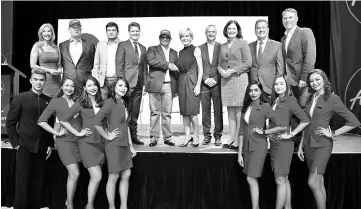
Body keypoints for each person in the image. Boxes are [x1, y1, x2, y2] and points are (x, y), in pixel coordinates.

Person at [297, 69, 360, 209]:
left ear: (324, 80)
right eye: (311, 81)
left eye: (317, 79)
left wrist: (333, 133)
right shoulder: (310, 98)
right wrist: (301, 143)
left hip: (322, 146)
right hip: (308, 145)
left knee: (312, 182)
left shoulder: (332, 98)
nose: (314, 83)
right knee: (319, 182)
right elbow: (306, 122)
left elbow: (354, 122)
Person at [6, 69, 54, 209]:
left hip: (41, 148)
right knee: (22, 183)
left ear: (45, 81)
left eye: (41, 80)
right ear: (31, 80)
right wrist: (16, 144)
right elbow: (10, 123)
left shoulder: (48, 100)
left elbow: (49, 125)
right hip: (24, 147)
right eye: (36, 79)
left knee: (37, 183)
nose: (38, 82)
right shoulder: (21, 98)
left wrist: (49, 144)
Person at [238, 81, 287, 209]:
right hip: (246, 148)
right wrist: (239, 154)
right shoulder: (246, 107)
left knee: (251, 178)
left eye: (256, 90)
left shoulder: (264, 106)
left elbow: (282, 126)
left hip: (259, 146)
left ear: (260, 92)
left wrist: (265, 132)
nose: (253, 93)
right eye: (251, 90)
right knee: (250, 179)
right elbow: (241, 132)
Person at [59, 76, 105, 209]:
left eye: (94, 84)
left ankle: (87, 204)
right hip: (87, 144)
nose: (92, 87)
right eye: (89, 85)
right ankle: (87, 206)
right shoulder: (81, 102)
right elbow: (63, 119)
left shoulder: (104, 102)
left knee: (95, 178)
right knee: (97, 176)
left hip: (101, 144)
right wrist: (78, 133)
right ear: (84, 88)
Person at [37, 77, 82, 209]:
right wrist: (56, 133)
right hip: (65, 143)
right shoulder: (56, 101)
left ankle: (69, 201)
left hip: (78, 142)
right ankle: (69, 205)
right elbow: (41, 121)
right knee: (75, 173)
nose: (69, 88)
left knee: (72, 175)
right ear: (61, 86)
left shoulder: (78, 101)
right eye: (66, 85)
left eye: (72, 86)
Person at [93, 77, 137, 209]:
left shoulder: (124, 102)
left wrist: (130, 145)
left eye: (125, 86)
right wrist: (107, 135)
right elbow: (96, 122)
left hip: (124, 144)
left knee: (126, 175)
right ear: (114, 87)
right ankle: (112, 207)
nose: (123, 88)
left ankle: (123, 206)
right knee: (114, 176)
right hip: (114, 145)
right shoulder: (109, 102)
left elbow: (126, 125)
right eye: (120, 85)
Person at [269, 75, 310, 209]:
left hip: (283, 145)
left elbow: (305, 120)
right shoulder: (276, 100)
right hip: (275, 144)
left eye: (281, 84)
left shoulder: (290, 100)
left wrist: (291, 134)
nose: (278, 86)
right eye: (276, 84)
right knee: (284, 179)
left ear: (287, 86)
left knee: (280, 180)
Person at [217, 20, 252, 149]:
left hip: (238, 79)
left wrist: (233, 70)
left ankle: (238, 138)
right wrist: (221, 71)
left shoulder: (243, 43)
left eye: (234, 28)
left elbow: (248, 63)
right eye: (229, 28)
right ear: (226, 30)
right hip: (226, 80)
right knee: (230, 109)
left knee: (238, 110)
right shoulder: (222, 46)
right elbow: (219, 63)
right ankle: (231, 137)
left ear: (238, 30)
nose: (231, 31)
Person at [115, 22, 148, 145]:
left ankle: (133, 136)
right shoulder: (122, 45)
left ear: (140, 32)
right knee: (124, 111)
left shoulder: (143, 48)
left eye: (137, 31)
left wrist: (144, 84)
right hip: (126, 84)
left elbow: (144, 67)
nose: (135, 33)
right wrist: (121, 83)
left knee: (135, 111)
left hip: (139, 84)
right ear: (129, 32)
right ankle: (123, 135)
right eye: (133, 31)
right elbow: (119, 64)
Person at [145, 29, 179, 147]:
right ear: (159, 38)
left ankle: (167, 138)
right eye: (162, 37)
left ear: (170, 39)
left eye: (167, 37)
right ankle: (154, 138)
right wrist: (168, 64)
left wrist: (177, 88)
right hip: (155, 85)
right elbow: (151, 61)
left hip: (169, 85)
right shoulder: (152, 49)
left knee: (167, 113)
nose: (165, 39)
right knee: (154, 113)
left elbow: (177, 70)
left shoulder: (175, 52)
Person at [281, 8, 316, 107]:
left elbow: (310, 57)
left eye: (290, 17)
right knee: (294, 113)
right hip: (289, 82)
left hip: (302, 81)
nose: (288, 20)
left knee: (304, 111)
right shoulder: (283, 39)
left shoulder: (305, 32)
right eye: (285, 18)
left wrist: (304, 78)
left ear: (296, 19)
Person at [176, 28, 203, 147]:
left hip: (192, 82)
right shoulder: (179, 52)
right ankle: (187, 136)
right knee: (184, 112)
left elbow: (201, 69)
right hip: (182, 83)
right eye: (182, 36)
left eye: (187, 36)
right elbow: (180, 69)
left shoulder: (196, 49)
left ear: (191, 37)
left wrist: (198, 85)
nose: (185, 38)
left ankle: (196, 135)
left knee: (192, 112)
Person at [199, 25, 223, 146]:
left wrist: (215, 79)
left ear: (216, 33)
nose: (211, 33)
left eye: (213, 31)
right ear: (205, 33)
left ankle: (218, 136)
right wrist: (205, 79)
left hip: (217, 84)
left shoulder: (222, 47)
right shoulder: (199, 48)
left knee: (218, 111)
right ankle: (206, 136)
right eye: (209, 32)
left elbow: (224, 65)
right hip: (204, 85)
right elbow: (197, 67)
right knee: (205, 112)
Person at [59, 19, 96, 95]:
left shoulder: (90, 45)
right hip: (68, 82)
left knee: (85, 105)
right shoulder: (62, 45)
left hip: (85, 82)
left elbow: (92, 63)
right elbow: (62, 63)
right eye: (73, 27)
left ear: (81, 29)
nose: (76, 29)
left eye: (78, 27)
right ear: (69, 29)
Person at [249, 19, 284, 96]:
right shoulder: (249, 46)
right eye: (258, 28)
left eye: (263, 27)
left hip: (270, 87)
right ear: (255, 31)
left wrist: (276, 85)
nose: (261, 30)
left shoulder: (277, 45)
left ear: (268, 30)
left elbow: (280, 68)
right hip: (253, 88)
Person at [30, 23, 62, 98]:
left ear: (52, 33)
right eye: (44, 31)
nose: (47, 33)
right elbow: (33, 65)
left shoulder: (56, 47)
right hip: (43, 80)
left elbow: (59, 65)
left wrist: (59, 70)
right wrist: (48, 70)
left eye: (49, 31)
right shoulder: (37, 46)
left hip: (57, 81)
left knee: (57, 104)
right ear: (41, 33)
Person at [92, 22, 121, 100]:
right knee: (103, 107)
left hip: (117, 80)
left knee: (116, 106)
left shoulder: (122, 44)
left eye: (113, 30)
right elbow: (96, 64)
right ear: (106, 32)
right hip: (103, 82)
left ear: (118, 32)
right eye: (109, 30)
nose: (111, 32)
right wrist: (97, 81)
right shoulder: (100, 45)